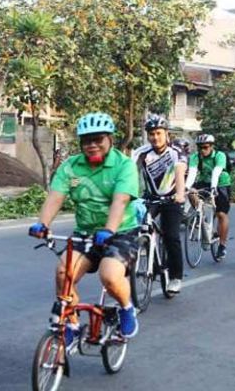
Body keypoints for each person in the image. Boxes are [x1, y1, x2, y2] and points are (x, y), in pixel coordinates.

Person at [28, 112, 140, 345]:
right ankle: (72, 324)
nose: (92, 145)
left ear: (109, 139)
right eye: (86, 141)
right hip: (86, 233)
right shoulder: (71, 167)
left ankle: (127, 308)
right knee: (63, 274)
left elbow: (120, 201)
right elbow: (55, 197)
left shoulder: (124, 165)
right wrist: (43, 224)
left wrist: (109, 230)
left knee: (109, 276)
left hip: (120, 232)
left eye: (98, 139)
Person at [132, 114, 187, 293]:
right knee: (138, 226)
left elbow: (179, 171)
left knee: (171, 236)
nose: (155, 137)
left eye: (158, 133)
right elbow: (130, 173)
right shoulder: (142, 153)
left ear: (166, 133)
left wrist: (179, 193)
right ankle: (148, 252)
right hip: (151, 198)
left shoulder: (176, 151)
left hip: (172, 198)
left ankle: (175, 277)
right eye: (151, 134)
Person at [185, 134, 232, 259]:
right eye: (200, 147)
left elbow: (217, 172)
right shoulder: (195, 157)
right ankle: (200, 215)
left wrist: (213, 188)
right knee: (191, 192)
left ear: (211, 147)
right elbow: (192, 172)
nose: (202, 150)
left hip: (221, 183)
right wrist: (186, 187)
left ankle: (222, 246)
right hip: (204, 181)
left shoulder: (219, 156)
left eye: (205, 147)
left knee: (221, 214)